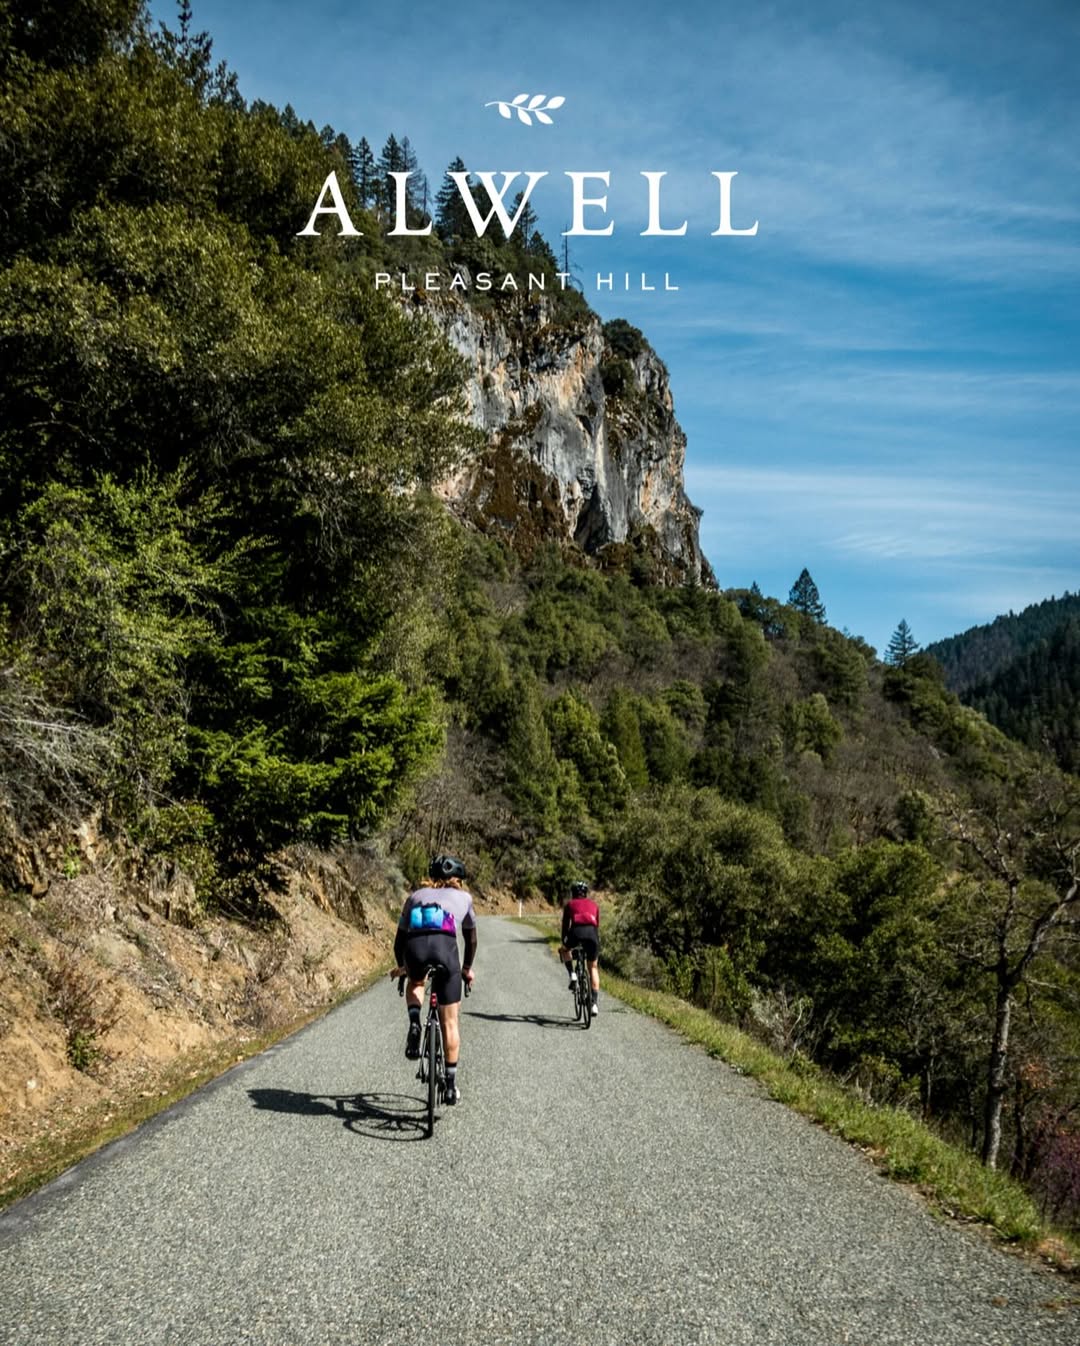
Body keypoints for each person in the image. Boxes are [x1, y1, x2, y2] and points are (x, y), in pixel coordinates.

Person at [390, 854, 477, 1106]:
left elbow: (399, 940)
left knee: (416, 983)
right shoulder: (465, 899)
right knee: (450, 1022)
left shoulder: (415, 897)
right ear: (458, 880)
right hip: (446, 952)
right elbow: (471, 940)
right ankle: (450, 1086)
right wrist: (467, 968)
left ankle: (415, 1021)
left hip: (415, 949)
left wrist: (403, 967)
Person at [559, 879, 600, 1017]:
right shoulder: (594, 905)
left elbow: (565, 926)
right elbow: (596, 925)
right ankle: (594, 1004)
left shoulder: (570, 904)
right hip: (592, 935)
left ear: (573, 893)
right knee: (593, 967)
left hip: (575, 932)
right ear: (585, 893)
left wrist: (564, 943)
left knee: (565, 950)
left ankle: (573, 974)